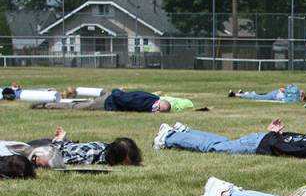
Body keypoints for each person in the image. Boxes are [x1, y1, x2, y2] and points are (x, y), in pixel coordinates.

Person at [154, 119, 306, 160]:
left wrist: (274, 133)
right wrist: (273, 138)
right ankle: (170, 137)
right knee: (215, 148)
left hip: (265, 137)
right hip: (262, 143)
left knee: (223, 141)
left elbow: (296, 139)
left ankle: (186, 132)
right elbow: (287, 149)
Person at [9, 127, 143, 167]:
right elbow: (59, 158)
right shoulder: (90, 156)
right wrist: (59, 141)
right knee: (9, 153)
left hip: (58, 144)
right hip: (46, 147)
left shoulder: (104, 147)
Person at [31, 88, 192, 113]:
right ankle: (45, 104)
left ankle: (71, 92)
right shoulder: (141, 104)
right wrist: (116, 91)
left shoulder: (153, 97)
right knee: (77, 107)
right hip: (108, 102)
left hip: (111, 95)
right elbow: (120, 98)